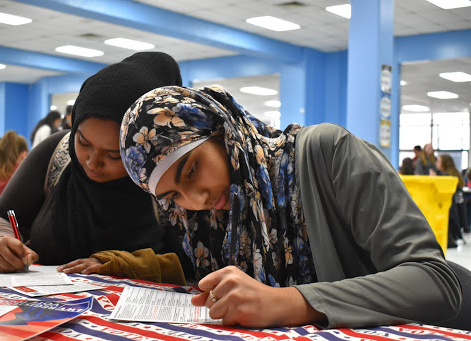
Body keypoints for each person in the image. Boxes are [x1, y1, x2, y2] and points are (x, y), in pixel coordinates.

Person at [119, 85, 462, 329]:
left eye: (192, 170)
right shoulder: (204, 222)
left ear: (223, 133)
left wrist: (288, 302)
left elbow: (436, 282)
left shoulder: (328, 154)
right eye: (174, 197)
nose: (196, 200)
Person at [0, 52, 186, 285]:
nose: (91, 162)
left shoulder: (168, 178)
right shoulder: (57, 152)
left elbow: (193, 265)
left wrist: (122, 263)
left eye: (113, 154)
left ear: (146, 147)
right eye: (83, 142)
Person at [436, 154, 466, 248]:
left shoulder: (446, 177)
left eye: (438, 161)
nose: (436, 163)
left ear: (444, 164)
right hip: (456, 211)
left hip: (450, 211)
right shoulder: (454, 174)